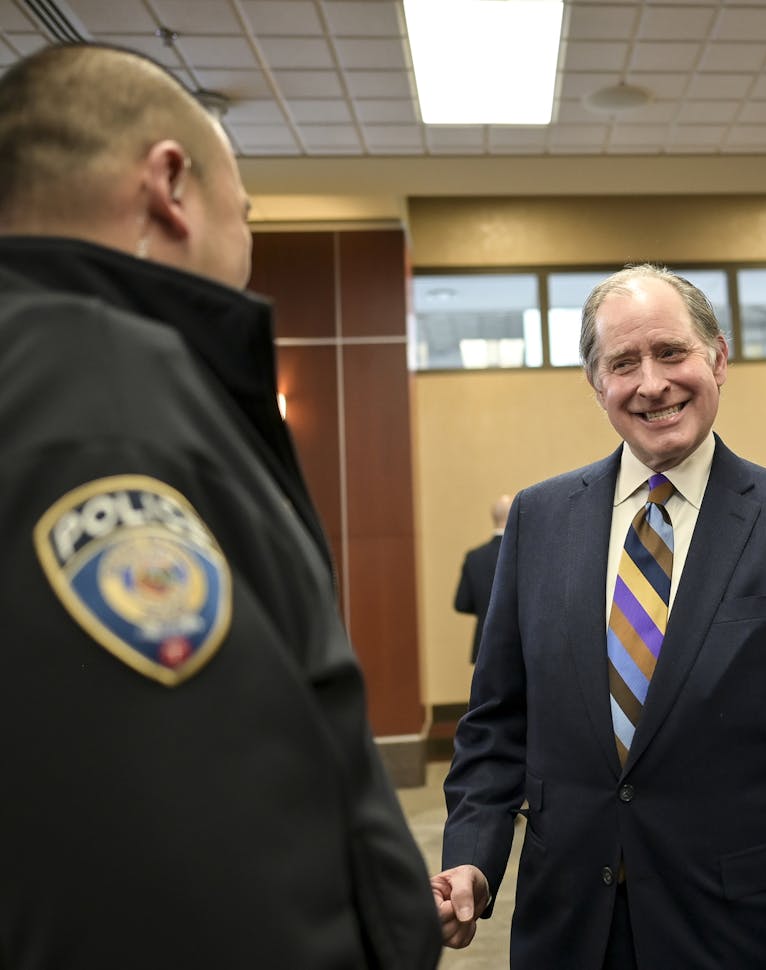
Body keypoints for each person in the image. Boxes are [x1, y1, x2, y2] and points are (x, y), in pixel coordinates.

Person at [0, 43, 440, 967]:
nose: (245, 246)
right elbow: (189, 858)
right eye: (244, 213)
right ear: (171, 185)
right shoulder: (106, 414)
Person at [433, 264, 766, 970]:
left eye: (671, 352)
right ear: (597, 385)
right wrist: (472, 857)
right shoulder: (540, 520)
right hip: (567, 929)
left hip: (743, 935)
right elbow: (497, 724)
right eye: (623, 362)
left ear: (719, 357)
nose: (651, 383)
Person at [454, 493, 513, 663]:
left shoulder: (474, 557)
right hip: (518, 643)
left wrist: (484, 607)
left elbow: (461, 603)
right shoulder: (525, 553)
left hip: (484, 642)